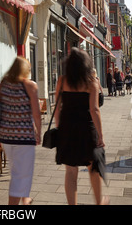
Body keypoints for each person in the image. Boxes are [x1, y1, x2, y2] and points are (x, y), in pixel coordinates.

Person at [55, 48, 108, 205]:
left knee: (71, 171)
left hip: (67, 128)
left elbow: (57, 107)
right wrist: (100, 134)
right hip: (86, 129)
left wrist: (59, 128)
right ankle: (99, 202)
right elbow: (94, 109)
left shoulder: (62, 80)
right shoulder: (91, 83)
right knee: (93, 168)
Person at [0, 56, 41, 206]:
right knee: (21, 175)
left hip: (6, 137)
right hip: (24, 137)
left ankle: (26, 199)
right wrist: (38, 131)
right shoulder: (30, 86)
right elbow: (36, 113)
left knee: (17, 172)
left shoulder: (3, 85)